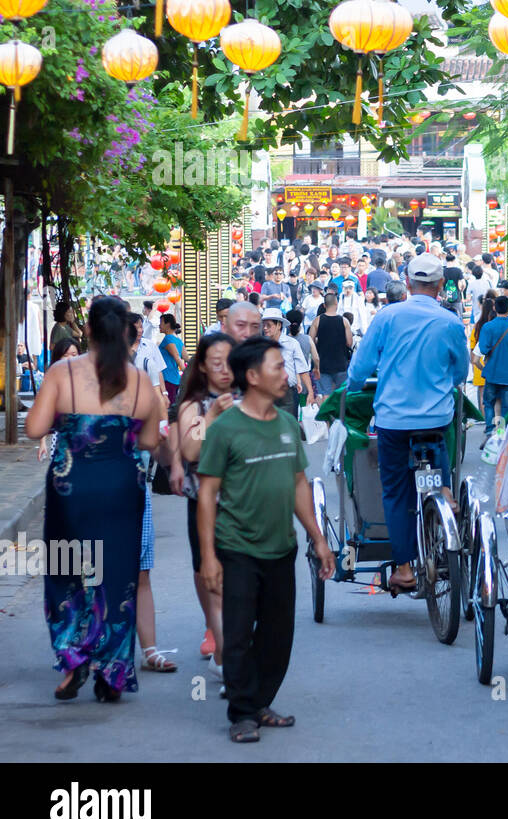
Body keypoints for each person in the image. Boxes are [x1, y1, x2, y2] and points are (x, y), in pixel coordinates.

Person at [197, 336, 336, 741]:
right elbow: (207, 493)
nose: (287, 375)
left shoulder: (289, 424)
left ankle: (260, 702)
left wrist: (318, 538)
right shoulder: (225, 428)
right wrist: (208, 556)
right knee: (238, 633)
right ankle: (242, 712)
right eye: (278, 367)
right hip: (237, 547)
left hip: (282, 547)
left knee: (278, 635)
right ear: (253, 376)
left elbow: (298, 484)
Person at [26, 295, 162, 702]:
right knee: (117, 578)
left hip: (72, 492)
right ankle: (112, 673)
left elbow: (34, 428)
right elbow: (152, 440)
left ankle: (72, 662)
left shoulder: (62, 372)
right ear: (126, 332)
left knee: (68, 574)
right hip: (121, 489)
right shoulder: (137, 380)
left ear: (86, 329)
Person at [347, 254, 469, 593]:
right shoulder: (450, 322)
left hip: (394, 420)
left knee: (397, 493)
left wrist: (355, 385)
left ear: (408, 283)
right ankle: (443, 489)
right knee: (439, 439)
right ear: (441, 286)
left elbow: (360, 368)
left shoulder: (387, 317)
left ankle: (404, 568)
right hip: (434, 417)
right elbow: (461, 373)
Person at [171, 333, 236, 676]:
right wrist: (211, 416)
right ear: (202, 367)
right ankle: (227, 656)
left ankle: (231, 654)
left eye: (230, 362)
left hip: (245, 506)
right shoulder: (193, 406)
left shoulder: (249, 400)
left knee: (241, 584)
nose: (225, 370)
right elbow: (191, 451)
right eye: (216, 363)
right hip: (206, 506)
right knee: (215, 582)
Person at [476, 295, 508, 428]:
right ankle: (502, 433)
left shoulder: (488, 327)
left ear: (494, 308)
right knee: (506, 407)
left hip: (492, 373)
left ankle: (490, 432)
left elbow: (483, 349)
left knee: (489, 404)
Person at [310, 292, 353, 398]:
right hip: (341, 363)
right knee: (340, 395)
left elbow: (309, 340)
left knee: (325, 394)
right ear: (337, 303)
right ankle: (339, 414)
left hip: (323, 364)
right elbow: (349, 343)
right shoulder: (344, 321)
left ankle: (326, 414)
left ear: (324, 305)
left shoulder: (317, 320)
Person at [469, 292, 498, 414]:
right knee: (496, 398)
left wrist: (473, 365)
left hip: (479, 364)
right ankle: (497, 426)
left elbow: (472, 348)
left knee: (482, 395)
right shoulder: (496, 326)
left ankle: (484, 422)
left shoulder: (477, 326)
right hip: (494, 364)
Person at [159, 313, 185, 405]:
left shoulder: (168, 339)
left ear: (168, 324)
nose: (159, 325)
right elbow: (186, 358)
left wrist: (188, 375)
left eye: (161, 322)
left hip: (167, 379)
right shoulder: (178, 340)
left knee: (167, 407)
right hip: (175, 378)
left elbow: (177, 357)